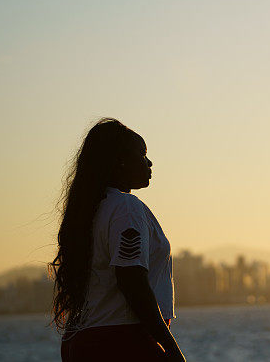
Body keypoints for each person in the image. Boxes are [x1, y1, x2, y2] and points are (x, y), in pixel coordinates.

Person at [49, 118, 186, 361]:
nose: (149, 162)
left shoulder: (90, 211)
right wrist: (170, 348)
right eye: (142, 154)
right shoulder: (125, 208)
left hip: (81, 340)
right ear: (120, 161)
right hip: (121, 340)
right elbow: (131, 278)